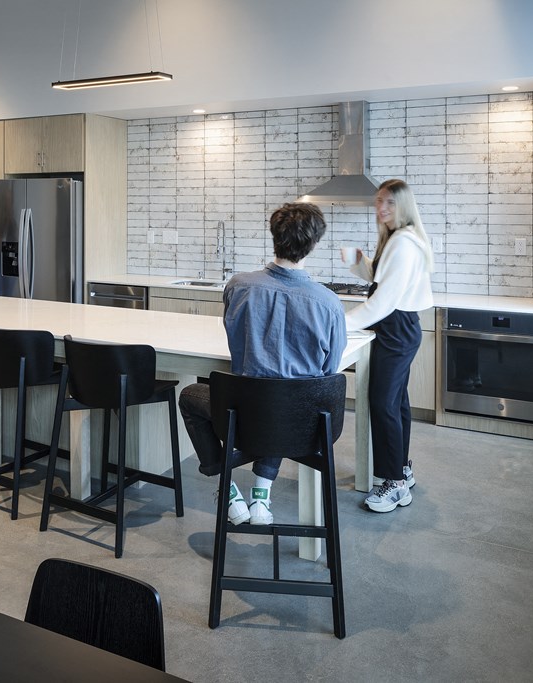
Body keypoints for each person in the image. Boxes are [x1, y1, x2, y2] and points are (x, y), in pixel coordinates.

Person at [179, 203, 347, 525]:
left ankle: (228, 489)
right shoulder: (328, 303)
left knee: (191, 396)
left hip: (244, 415)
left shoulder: (238, 286)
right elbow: (329, 371)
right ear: (313, 245)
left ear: (274, 236)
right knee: (285, 393)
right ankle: (261, 494)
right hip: (300, 425)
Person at [343, 178, 434, 513]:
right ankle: (402, 469)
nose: (380, 208)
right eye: (378, 201)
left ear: (403, 206)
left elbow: (382, 303)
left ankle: (394, 484)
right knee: (396, 404)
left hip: (395, 329)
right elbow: (381, 278)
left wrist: (340, 324)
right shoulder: (397, 238)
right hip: (399, 329)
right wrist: (359, 261)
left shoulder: (404, 243)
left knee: (382, 403)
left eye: (389, 203)